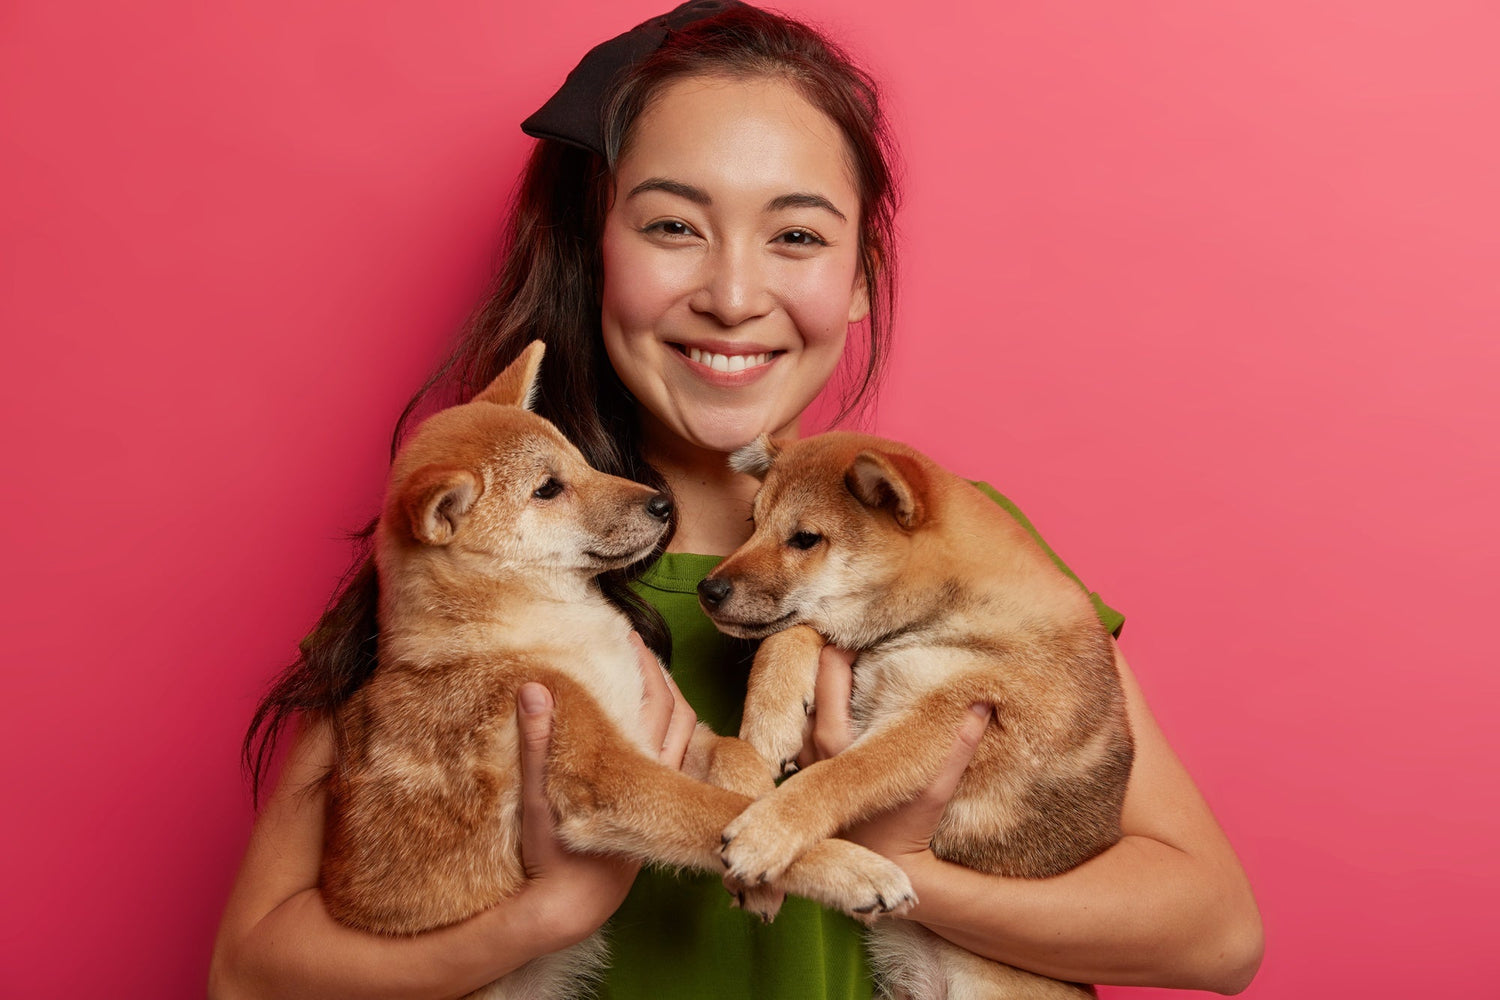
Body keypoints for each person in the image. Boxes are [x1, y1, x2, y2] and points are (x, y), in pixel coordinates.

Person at [209, 3, 1263, 997]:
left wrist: (883, 861)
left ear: (859, 275)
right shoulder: (476, 565)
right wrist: (545, 914)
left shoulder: (943, 544)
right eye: (674, 226)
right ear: (595, 254)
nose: (732, 293)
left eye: (797, 236)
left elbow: (1212, 929)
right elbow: (251, 969)